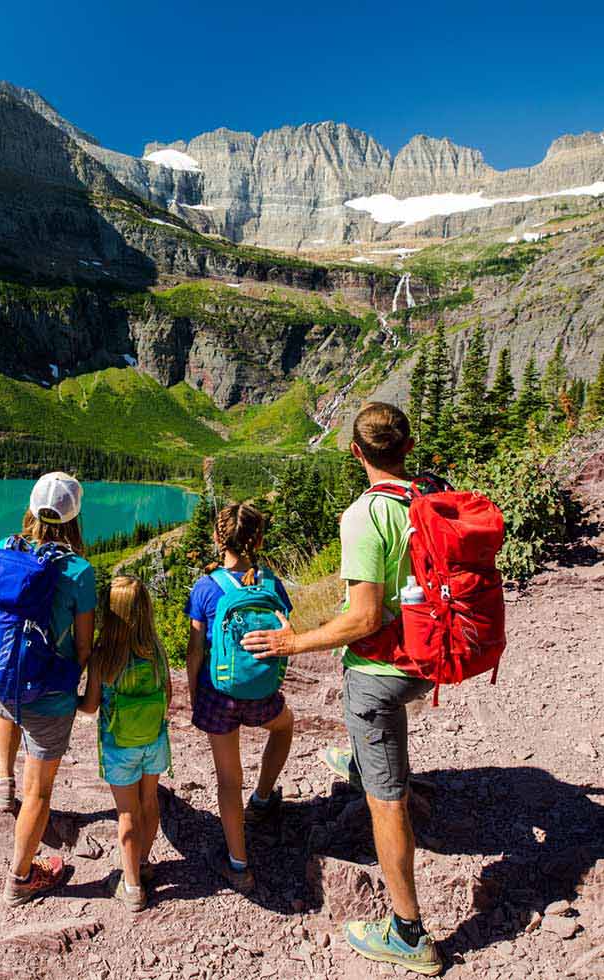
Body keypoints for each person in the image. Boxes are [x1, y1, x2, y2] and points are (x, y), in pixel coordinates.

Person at [242, 401, 443, 976]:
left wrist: (292, 643)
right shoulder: (428, 493)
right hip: (431, 656)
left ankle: (408, 932)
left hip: (382, 673)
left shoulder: (364, 516)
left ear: (357, 453)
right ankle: (360, 763)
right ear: (406, 447)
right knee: (371, 739)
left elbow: (364, 619)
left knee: (387, 800)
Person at [0, 471, 96, 907]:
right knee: (42, 793)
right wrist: (70, 686)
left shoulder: (2, 550)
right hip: (46, 700)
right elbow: (84, 646)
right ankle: (20, 878)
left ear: (30, 509)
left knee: (10, 699)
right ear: (75, 517)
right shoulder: (78, 572)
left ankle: (2, 783)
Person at [184, 501, 296, 893]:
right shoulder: (271, 584)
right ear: (258, 539)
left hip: (219, 694)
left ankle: (238, 863)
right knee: (284, 727)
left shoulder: (206, 586)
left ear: (218, 538)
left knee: (229, 779)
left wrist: (194, 692)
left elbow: (195, 649)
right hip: (262, 690)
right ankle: (264, 798)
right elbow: (285, 628)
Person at [80, 575, 170, 912]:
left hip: (120, 747)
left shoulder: (103, 657)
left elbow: (90, 707)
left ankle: (132, 887)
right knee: (149, 802)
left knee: (127, 812)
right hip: (154, 741)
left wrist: (70, 702)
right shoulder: (157, 651)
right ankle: (144, 863)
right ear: (145, 610)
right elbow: (168, 696)